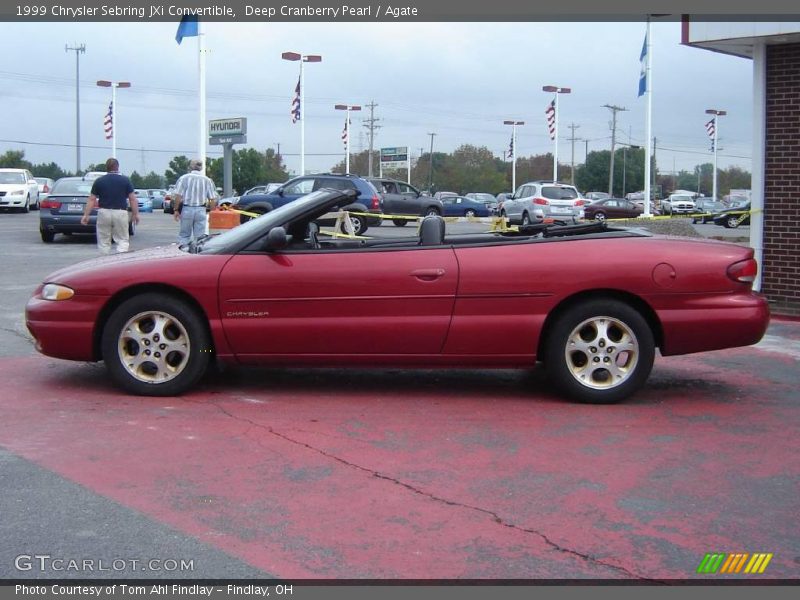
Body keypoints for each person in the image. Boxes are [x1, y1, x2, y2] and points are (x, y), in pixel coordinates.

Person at [80, 158, 140, 254]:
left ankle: (104, 261)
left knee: (103, 240)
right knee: (122, 239)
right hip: (120, 212)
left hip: (104, 212)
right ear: (117, 167)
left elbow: (92, 199)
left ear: (106, 167)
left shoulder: (99, 181)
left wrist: (86, 215)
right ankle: (120, 260)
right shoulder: (125, 180)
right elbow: (132, 199)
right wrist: (135, 214)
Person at [173, 159, 218, 245]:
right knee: (199, 237)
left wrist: (176, 209)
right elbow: (212, 199)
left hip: (187, 209)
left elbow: (178, 196)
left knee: (184, 235)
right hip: (201, 209)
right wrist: (212, 213)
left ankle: (183, 252)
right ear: (201, 168)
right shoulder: (207, 180)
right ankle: (197, 253)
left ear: (190, 167)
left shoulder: (184, 178)